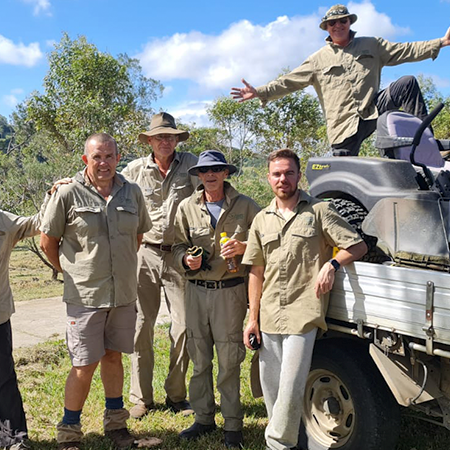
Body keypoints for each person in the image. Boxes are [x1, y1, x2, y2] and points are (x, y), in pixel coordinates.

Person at [242, 149, 367, 450]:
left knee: (291, 386)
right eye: (277, 174)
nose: (283, 179)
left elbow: (358, 246)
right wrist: (252, 319)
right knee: (272, 391)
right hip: (270, 313)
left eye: (288, 173)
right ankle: (291, 441)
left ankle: (276, 445)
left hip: (304, 314)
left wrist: (332, 264)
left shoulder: (319, 211)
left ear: (299, 175)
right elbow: (256, 272)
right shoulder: (261, 219)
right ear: (268, 177)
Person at [40, 133, 151, 450]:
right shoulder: (68, 194)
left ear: (118, 158)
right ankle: (69, 432)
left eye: (109, 156)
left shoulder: (132, 193)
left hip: (123, 294)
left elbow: (137, 237)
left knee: (114, 358)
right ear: (86, 160)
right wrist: (70, 271)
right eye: (97, 157)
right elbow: (48, 241)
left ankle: (116, 426)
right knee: (83, 364)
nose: (104, 163)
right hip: (85, 297)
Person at [231, 4, 450, 156]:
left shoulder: (372, 45)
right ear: (326, 27)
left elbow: (405, 50)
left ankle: (427, 144)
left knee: (407, 83)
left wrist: (441, 42)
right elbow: (289, 81)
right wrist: (260, 91)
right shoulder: (317, 60)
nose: (338, 25)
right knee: (340, 179)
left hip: (372, 109)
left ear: (349, 22)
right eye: (332, 23)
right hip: (343, 127)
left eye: (342, 21)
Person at [172, 150, 260, 448]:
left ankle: (233, 425)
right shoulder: (186, 207)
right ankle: (203, 418)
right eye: (204, 171)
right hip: (196, 293)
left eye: (217, 169)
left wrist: (243, 246)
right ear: (197, 175)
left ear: (226, 173)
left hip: (231, 292)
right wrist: (186, 259)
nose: (210, 175)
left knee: (229, 360)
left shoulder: (246, 206)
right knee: (199, 361)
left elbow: (266, 242)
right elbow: (176, 247)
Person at [122, 112, 198, 419]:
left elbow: (216, 179)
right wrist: (70, 182)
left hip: (181, 255)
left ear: (177, 139)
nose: (165, 142)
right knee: (142, 326)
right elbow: (102, 175)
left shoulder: (192, 164)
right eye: (159, 137)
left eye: (170, 136)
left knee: (184, 327)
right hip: (145, 254)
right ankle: (142, 397)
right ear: (150, 141)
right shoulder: (136, 169)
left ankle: (177, 395)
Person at [0, 204, 48, 450]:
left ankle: (14, 440)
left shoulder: (4, 222)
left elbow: (37, 223)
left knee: (4, 378)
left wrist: (52, 195)